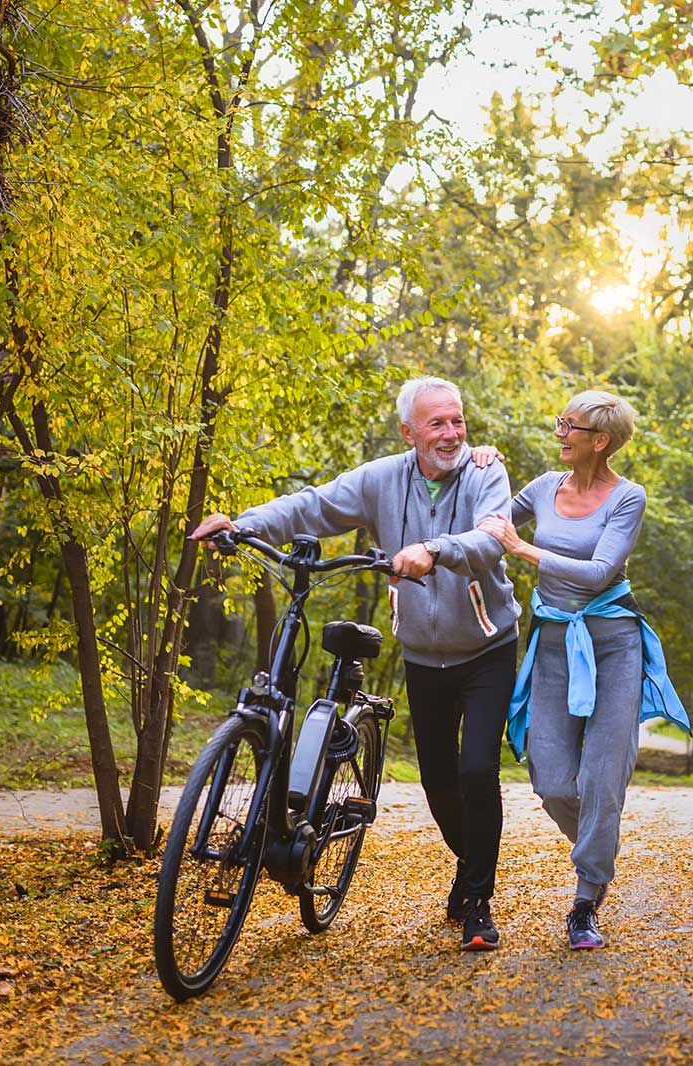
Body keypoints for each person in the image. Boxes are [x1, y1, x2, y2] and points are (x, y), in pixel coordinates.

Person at [190, 376, 517, 952]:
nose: (451, 433)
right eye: (436, 423)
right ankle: (473, 866)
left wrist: (435, 549)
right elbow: (314, 505)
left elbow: (492, 537)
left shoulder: (486, 472)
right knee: (438, 782)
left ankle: (478, 900)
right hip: (423, 653)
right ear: (409, 431)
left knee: (474, 770)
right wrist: (242, 525)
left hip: (487, 647)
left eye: (457, 420)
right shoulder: (383, 478)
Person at [478, 389, 690, 950]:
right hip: (554, 643)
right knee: (550, 779)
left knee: (602, 778)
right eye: (559, 421)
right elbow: (490, 517)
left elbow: (598, 572)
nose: (559, 433)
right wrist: (478, 461)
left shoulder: (629, 497)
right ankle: (599, 851)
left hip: (614, 644)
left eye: (569, 425)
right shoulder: (545, 487)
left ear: (600, 440)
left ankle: (585, 900)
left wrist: (522, 551)